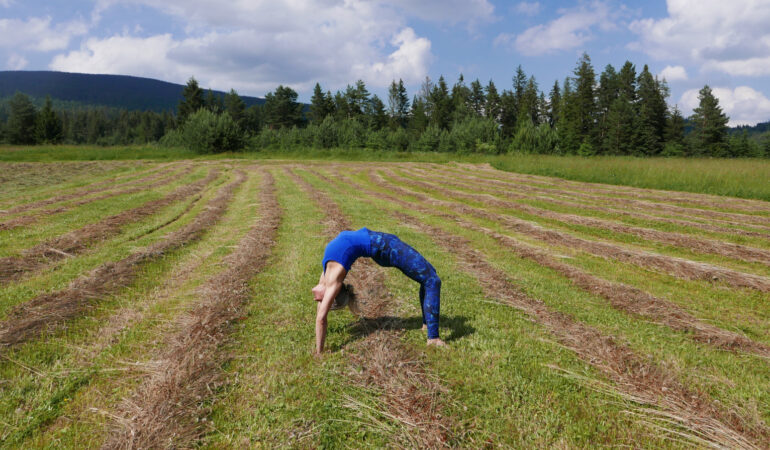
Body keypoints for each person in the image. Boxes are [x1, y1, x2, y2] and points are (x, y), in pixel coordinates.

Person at [312, 227, 446, 355]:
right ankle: (433, 338)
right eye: (323, 300)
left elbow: (321, 315)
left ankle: (427, 325)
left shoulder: (326, 276)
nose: (317, 299)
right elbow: (321, 319)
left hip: (381, 244)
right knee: (432, 281)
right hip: (384, 246)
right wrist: (319, 352)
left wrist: (319, 350)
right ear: (333, 294)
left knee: (429, 277)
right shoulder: (333, 279)